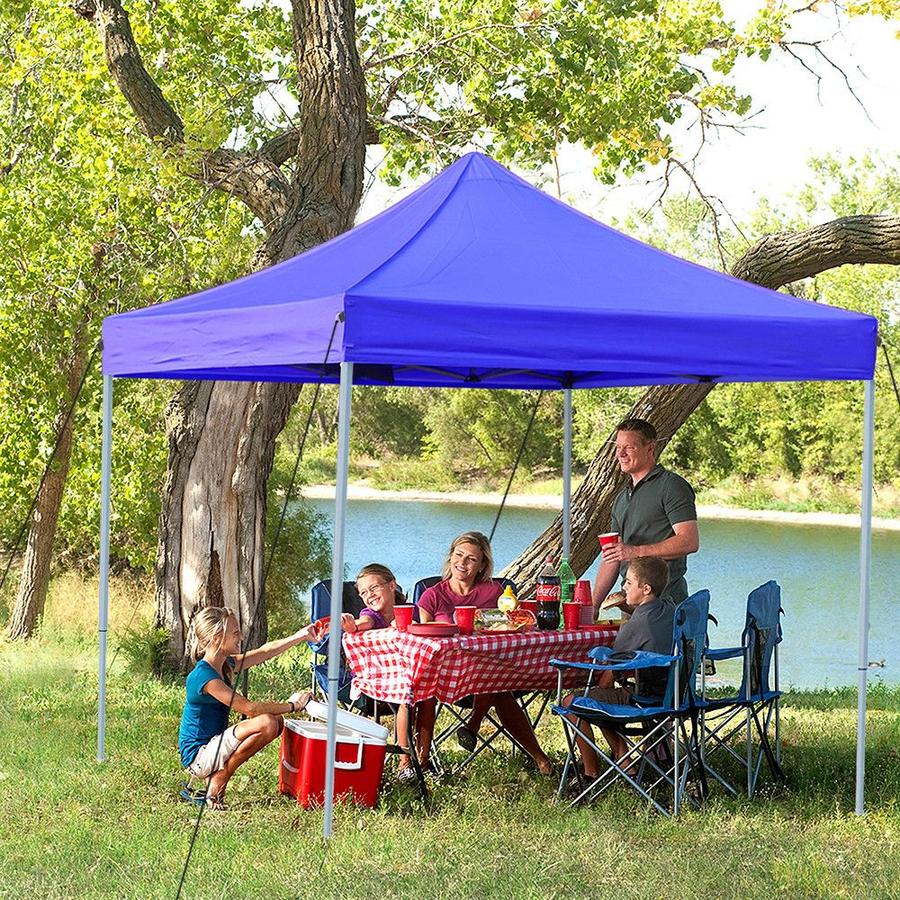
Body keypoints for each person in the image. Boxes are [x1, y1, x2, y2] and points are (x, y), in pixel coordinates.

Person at [396, 531, 554, 781]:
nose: (463, 563)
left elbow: (506, 627)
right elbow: (424, 638)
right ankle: (423, 762)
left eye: (471, 558)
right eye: (459, 555)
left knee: (497, 682)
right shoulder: (432, 595)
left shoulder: (495, 593)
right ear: (450, 558)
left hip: (485, 671)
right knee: (432, 692)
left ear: (482, 565)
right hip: (444, 675)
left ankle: (533, 756)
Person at [178, 607, 315, 810]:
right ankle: (219, 778)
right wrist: (294, 706)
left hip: (214, 746)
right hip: (199, 756)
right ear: (216, 637)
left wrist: (300, 636)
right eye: (235, 633)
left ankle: (218, 776)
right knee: (267, 722)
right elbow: (250, 709)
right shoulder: (203, 676)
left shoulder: (225, 664)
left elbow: (266, 651)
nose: (240, 637)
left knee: (276, 722)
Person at [562, 557, 675, 779]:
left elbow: (610, 671)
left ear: (645, 589)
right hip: (673, 696)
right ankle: (624, 760)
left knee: (574, 702)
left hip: (644, 699)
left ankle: (591, 772)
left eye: (629, 583)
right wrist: (629, 605)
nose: (623, 587)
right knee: (601, 700)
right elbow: (651, 617)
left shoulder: (633, 626)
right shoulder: (670, 609)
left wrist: (598, 685)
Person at [592, 417, 699, 617]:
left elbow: (690, 541)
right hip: (631, 609)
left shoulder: (671, 486)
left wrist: (636, 551)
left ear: (650, 449)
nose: (621, 454)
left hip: (667, 606)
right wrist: (594, 605)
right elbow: (613, 557)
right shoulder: (621, 498)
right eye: (618, 447)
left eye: (629, 448)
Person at [339, 563, 403, 633]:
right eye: (364, 592)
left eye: (374, 587)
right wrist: (350, 624)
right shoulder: (370, 614)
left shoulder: (411, 610)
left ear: (392, 586)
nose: (370, 595)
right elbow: (365, 622)